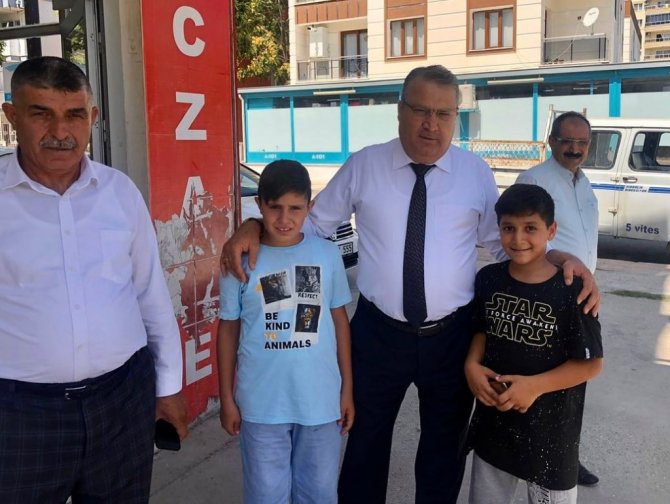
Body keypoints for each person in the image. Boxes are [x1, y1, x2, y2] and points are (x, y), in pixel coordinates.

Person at [221, 65, 599, 504]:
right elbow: (311, 224)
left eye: (443, 113)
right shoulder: (365, 165)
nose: (430, 124)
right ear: (400, 111)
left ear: (456, 117)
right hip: (378, 333)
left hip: (451, 335)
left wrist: (560, 257)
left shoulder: (474, 173)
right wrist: (252, 226)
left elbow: (504, 245)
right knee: (365, 443)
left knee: (444, 448)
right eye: (420, 110)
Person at [0, 56, 187, 503]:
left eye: (74, 115)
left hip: (122, 401)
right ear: (11, 115)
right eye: (41, 113)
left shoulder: (119, 192)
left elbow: (150, 294)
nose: (60, 132)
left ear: (93, 116)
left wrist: (168, 388)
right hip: (19, 413)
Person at [217, 159, 354, 504]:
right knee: (266, 495)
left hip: (320, 401)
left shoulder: (326, 255)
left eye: (295, 208)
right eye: (274, 207)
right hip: (262, 403)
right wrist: (227, 398)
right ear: (259, 204)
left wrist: (347, 389)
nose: (284, 218)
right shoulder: (239, 261)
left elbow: (339, 322)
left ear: (310, 206)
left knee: (319, 493)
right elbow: (228, 330)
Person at [464, 183, 603, 504]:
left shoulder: (573, 289)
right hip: (494, 426)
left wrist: (535, 386)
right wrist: (471, 364)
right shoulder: (488, 279)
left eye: (530, 228)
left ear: (551, 230)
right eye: (508, 228)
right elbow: (481, 330)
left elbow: (592, 363)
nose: (518, 239)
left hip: (551, 437)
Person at [516, 111, 600, 485]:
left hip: (582, 295)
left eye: (582, 143)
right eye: (567, 141)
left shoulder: (584, 183)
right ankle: (529, 456)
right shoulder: (535, 180)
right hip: (550, 297)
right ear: (552, 141)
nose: (575, 149)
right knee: (544, 381)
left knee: (573, 386)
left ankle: (566, 455)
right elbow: (523, 243)